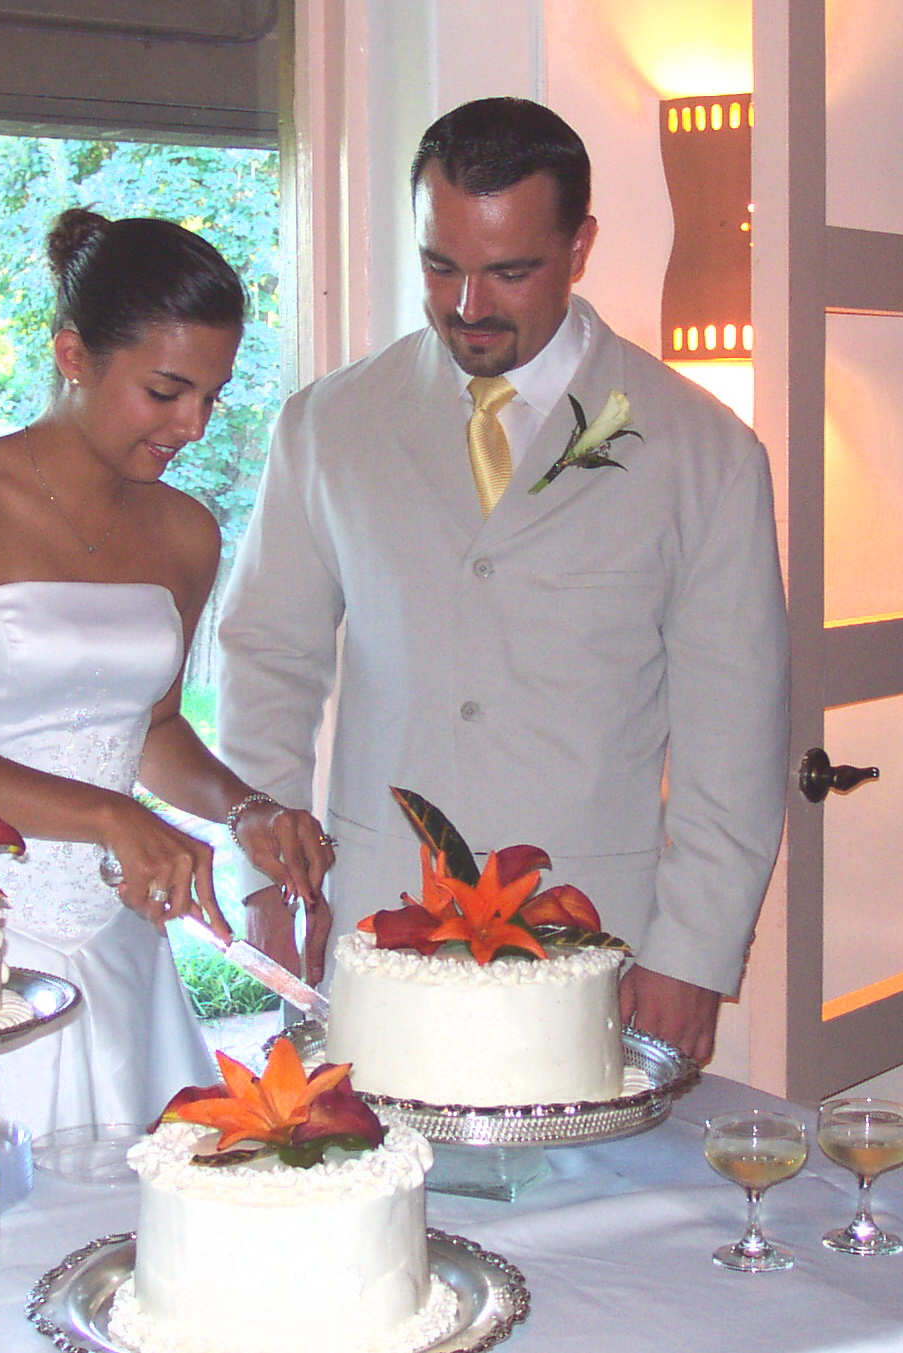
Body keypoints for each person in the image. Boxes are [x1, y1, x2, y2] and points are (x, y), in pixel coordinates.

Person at [216, 98, 788, 1066]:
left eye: (507, 271)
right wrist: (268, 883)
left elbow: (731, 731)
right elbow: (267, 659)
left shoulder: (704, 450)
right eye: (440, 266)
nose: (467, 305)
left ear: (579, 248)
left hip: (593, 933)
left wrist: (692, 954)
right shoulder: (326, 426)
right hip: (368, 927)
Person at [0, 208, 336, 1135]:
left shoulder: (186, 532)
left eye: (212, 397)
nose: (190, 424)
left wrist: (244, 809)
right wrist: (110, 815)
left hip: (117, 946)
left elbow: (145, 730)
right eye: (165, 391)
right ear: (73, 354)